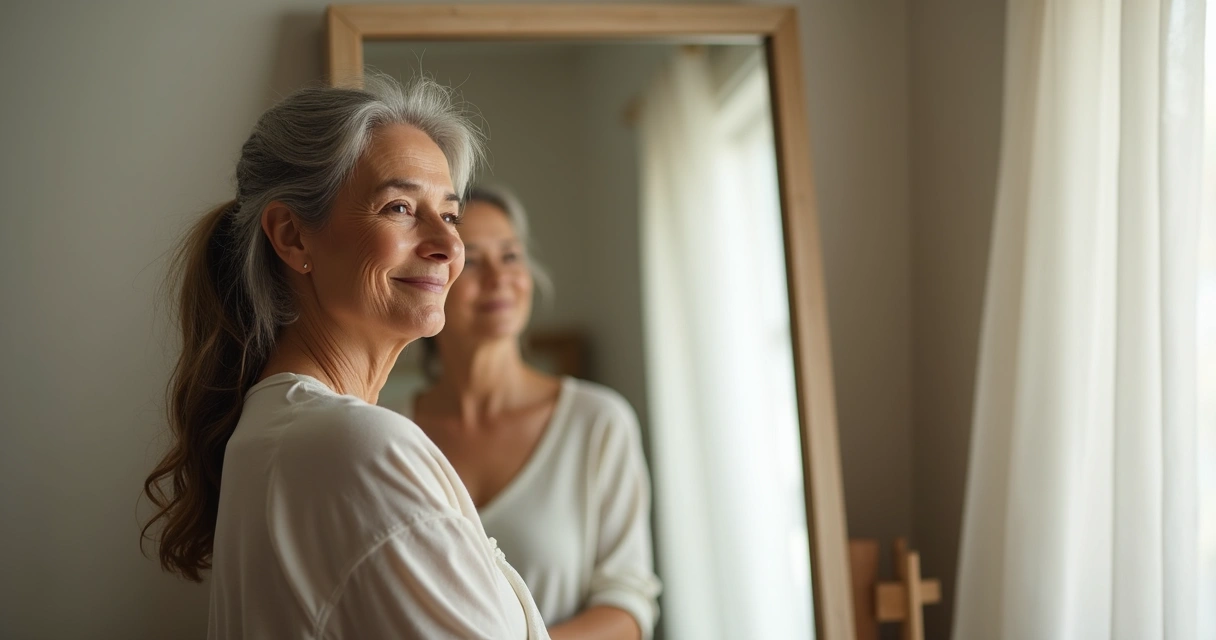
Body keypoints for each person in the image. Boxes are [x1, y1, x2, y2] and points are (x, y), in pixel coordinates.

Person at [141, 75, 549, 639]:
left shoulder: (279, 430)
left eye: (449, 214)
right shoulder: (356, 447)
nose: (449, 245)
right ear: (292, 236)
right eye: (400, 207)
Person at [402, 186, 661, 640]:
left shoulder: (598, 423)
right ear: (430, 279)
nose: (499, 278)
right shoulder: (390, 431)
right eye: (473, 261)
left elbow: (628, 608)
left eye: (510, 256)